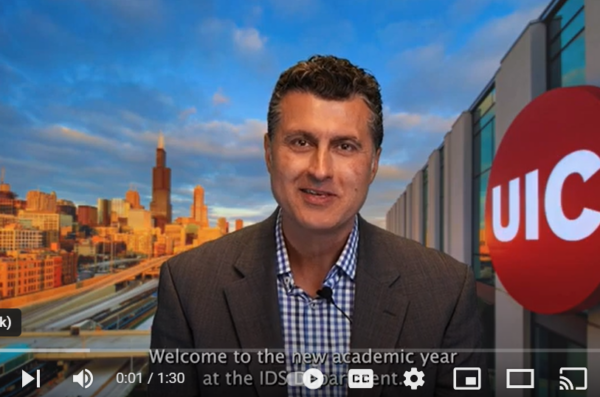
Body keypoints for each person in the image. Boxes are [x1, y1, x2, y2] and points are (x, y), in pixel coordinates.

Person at [149, 55, 490, 397]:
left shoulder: (445, 292)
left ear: (373, 164)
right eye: (301, 142)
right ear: (269, 153)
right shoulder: (189, 286)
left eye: (345, 146)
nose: (321, 169)